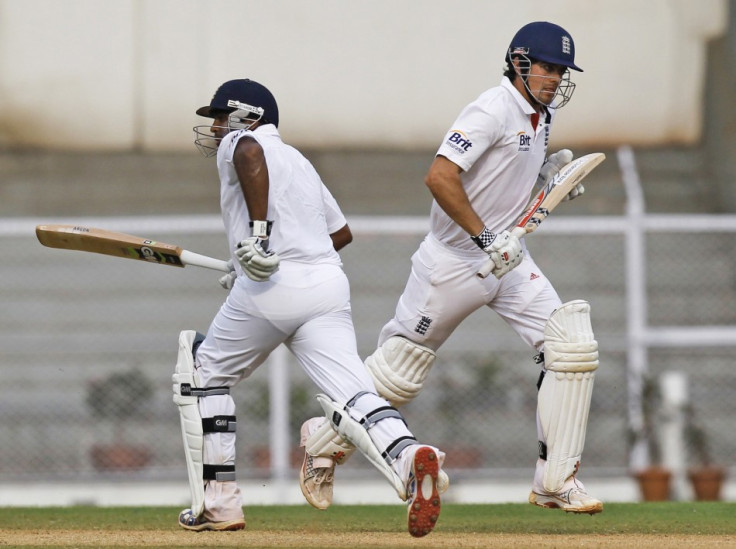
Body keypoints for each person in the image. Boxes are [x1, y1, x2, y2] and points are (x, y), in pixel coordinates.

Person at [300, 21, 603, 515]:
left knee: (570, 345)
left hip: (509, 260)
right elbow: (439, 177)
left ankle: (555, 480)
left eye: (562, 71)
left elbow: (501, 178)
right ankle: (321, 441)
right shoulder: (491, 108)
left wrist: (543, 178)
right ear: (520, 63)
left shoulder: (539, 114)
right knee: (399, 377)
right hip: (454, 261)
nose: (555, 78)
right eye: (548, 67)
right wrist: (484, 238)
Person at [171, 78, 446, 537]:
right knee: (355, 395)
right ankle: (408, 458)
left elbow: (249, 155)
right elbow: (340, 234)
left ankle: (218, 503)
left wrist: (258, 241)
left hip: (272, 288)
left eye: (221, 116)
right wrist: (258, 256)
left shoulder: (244, 141)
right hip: (327, 284)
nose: (216, 127)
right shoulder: (300, 160)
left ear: (247, 116)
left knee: (203, 375)